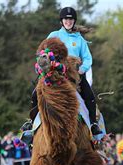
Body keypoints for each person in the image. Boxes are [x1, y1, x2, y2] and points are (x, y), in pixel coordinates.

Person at [21, 7, 101, 136]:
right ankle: (31, 122)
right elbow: (43, 53)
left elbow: (87, 58)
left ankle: (93, 124)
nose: (68, 21)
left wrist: (82, 70)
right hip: (54, 73)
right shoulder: (54, 35)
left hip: (75, 75)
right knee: (35, 93)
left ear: (74, 21)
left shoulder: (79, 39)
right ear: (61, 21)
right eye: (66, 19)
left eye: (70, 19)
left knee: (89, 96)